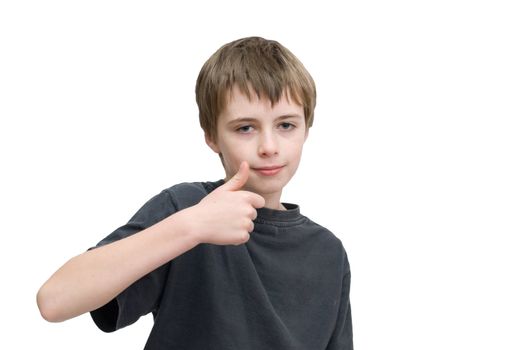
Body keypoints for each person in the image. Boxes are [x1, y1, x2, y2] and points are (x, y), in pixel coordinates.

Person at [37, 36, 353, 349]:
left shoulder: (328, 252)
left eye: (286, 125)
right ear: (211, 136)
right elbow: (55, 300)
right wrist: (192, 226)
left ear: (307, 129)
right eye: (245, 128)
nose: (269, 147)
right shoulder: (187, 208)